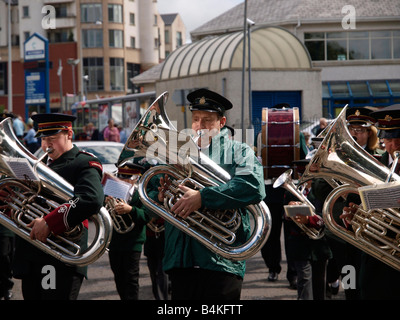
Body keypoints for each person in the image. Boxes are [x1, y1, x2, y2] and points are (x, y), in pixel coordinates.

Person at [157, 88, 266, 300]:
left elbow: (253, 185)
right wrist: (162, 197)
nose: (200, 125)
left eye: (208, 120)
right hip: (181, 259)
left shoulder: (240, 151)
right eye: (196, 119)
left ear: (221, 122)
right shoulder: (178, 153)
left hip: (221, 261)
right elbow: (151, 190)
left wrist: (202, 197)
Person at [12, 113, 105, 300]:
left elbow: (90, 198)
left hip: (59, 256)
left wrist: (49, 222)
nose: (46, 145)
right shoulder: (38, 166)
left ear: (69, 134)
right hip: (31, 255)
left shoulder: (83, 162)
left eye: (52, 139)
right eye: (43, 139)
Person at [341, 103, 400, 300]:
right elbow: (354, 201)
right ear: (383, 140)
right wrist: (352, 215)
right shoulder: (372, 166)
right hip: (378, 257)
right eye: (389, 139)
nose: (395, 145)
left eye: (399, 137)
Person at [283, 159, 332, 300]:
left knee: (319, 283)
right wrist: (290, 211)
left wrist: (309, 219)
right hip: (299, 244)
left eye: (309, 173)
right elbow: (284, 216)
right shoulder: (292, 192)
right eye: (302, 174)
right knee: (304, 281)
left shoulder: (324, 191)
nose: (305, 178)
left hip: (320, 245)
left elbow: (327, 217)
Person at [105, 162, 150, 300]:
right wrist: (105, 202)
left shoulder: (141, 194)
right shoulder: (112, 191)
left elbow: (146, 216)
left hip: (132, 243)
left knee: (131, 278)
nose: (123, 180)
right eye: (121, 176)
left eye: (127, 177)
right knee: (118, 277)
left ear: (136, 178)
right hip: (115, 241)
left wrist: (131, 210)